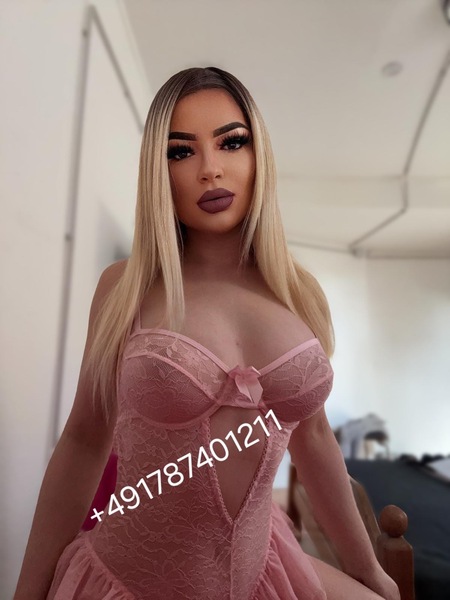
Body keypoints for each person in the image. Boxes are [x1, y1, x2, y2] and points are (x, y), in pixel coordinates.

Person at [13, 66, 400, 600]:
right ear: (158, 172)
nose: (210, 170)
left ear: (258, 155)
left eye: (231, 142)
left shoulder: (299, 292)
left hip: (261, 572)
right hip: (130, 582)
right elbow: (84, 439)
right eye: (181, 151)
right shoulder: (126, 287)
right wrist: (28, 590)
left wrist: (368, 568)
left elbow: (313, 438)